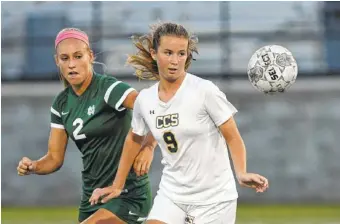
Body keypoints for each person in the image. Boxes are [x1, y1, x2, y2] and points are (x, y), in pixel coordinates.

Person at [89, 22, 269, 224]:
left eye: (181, 54)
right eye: (168, 52)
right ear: (154, 53)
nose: (175, 61)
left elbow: (233, 136)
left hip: (215, 199)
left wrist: (241, 172)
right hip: (172, 194)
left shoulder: (204, 91)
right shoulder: (145, 100)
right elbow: (134, 137)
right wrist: (117, 185)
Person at [16, 28, 157, 224]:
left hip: (127, 193)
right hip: (93, 196)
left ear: (90, 56)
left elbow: (155, 109)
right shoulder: (61, 104)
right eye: (65, 58)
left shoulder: (108, 88)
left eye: (78, 56)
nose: (72, 64)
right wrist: (34, 166)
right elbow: (54, 158)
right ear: (57, 61)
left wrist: (149, 146)